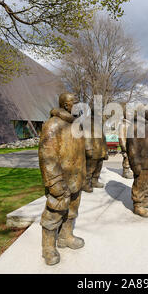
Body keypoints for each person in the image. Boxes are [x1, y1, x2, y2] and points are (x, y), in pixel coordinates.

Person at [38, 93, 86, 265]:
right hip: (60, 179)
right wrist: (54, 181)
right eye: (74, 102)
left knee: (72, 210)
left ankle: (66, 236)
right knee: (54, 213)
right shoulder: (52, 125)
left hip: (76, 178)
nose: (77, 105)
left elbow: (81, 152)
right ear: (65, 105)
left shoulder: (77, 125)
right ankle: (48, 247)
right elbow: (46, 155)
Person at [126, 109, 148, 218]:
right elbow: (131, 147)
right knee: (140, 183)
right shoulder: (134, 126)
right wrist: (135, 164)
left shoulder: (147, 126)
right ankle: (137, 205)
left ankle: (145, 200)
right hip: (141, 162)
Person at [83, 111, 108, 193]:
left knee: (98, 167)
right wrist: (88, 149)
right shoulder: (87, 122)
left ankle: (94, 181)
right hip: (93, 149)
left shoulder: (99, 123)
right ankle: (86, 184)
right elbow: (86, 135)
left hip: (100, 149)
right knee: (90, 169)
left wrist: (105, 150)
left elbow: (103, 138)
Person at [118, 103, 133, 179]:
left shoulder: (130, 125)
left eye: (131, 114)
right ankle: (125, 172)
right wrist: (124, 148)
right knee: (126, 158)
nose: (130, 116)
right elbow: (121, 138)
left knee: (130, 158)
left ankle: (129, 170)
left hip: (131, 146)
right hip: (126, 146)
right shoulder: (122, 125)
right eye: (129, 114)